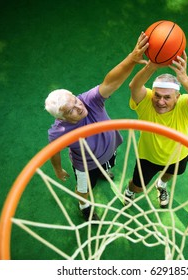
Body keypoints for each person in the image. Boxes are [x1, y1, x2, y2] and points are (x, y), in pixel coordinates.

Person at [45, 32, 148, 221]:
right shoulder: (58, 131)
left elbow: (111, 81)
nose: (79, 107)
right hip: (85, 165)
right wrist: (58, 170)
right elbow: (54, 152)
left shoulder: (89, 100)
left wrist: (131, 60)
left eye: (75, 100)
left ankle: (103, 171)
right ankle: (84, 206)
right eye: (71, 111)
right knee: (84, 189)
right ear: (62, 118)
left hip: (109, 151)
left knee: (106, 166)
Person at [124, 51, 188, 208]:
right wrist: (151, 66)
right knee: (138, 187)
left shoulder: (184, 105)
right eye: (157, 95)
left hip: (178, 156)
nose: (160, 101)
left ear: (177, 96)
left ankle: (161, 185)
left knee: (171, 174)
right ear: (152, 93)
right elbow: (134, 86)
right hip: (148, 158)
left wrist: (184, 78)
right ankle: (130, 191)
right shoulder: (146, 101)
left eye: (167, 97)